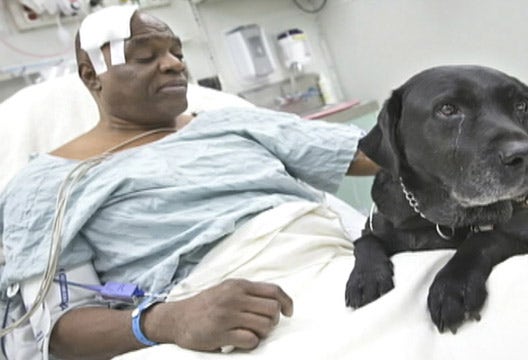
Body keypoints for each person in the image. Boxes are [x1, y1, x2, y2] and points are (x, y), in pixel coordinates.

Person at [0, 6, 378, 360]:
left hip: (348, 265)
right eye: (146, 57)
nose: (173, 64)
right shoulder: (50, 185)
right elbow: (57, 329)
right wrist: (167, 320)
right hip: (226, 313)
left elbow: (372, 155)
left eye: (177, 52)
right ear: (89, 75)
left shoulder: (229, 122)